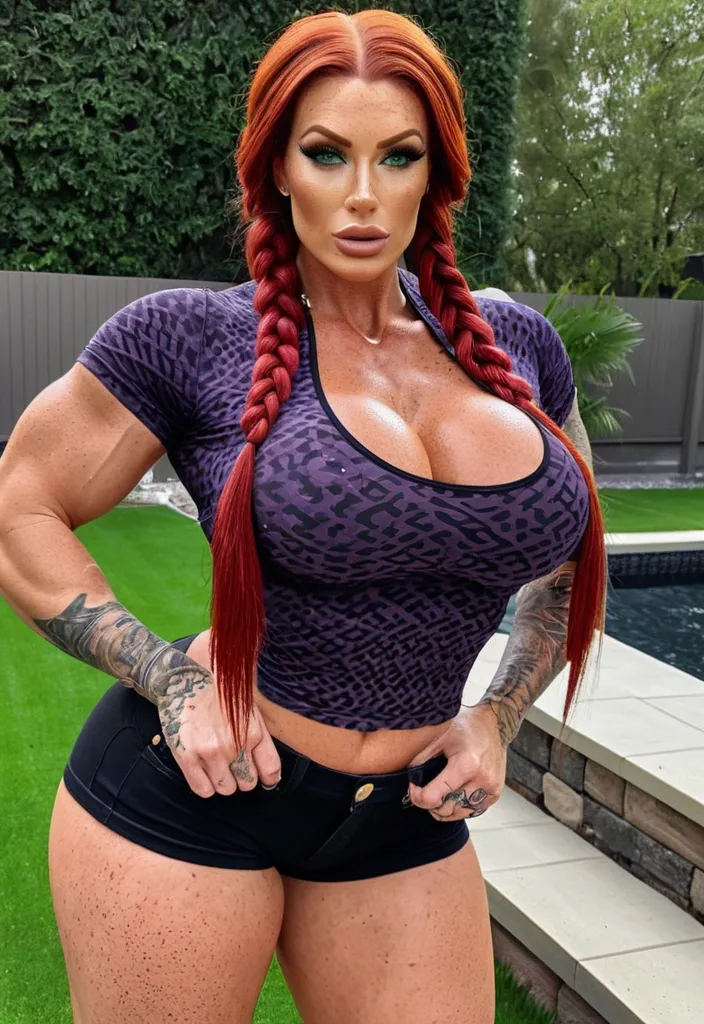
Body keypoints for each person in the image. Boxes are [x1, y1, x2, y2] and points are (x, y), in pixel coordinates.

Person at [0, 9, 605, 1023]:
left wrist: (496, 715)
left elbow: (573, 557)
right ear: (277, 166)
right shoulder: (188, 338)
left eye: (398, 156)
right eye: (327, 154)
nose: (363, 194)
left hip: (401, 817)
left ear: (436, 173)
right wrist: (169, 679)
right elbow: (21, 502)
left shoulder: (519, 344)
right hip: (196, 792)